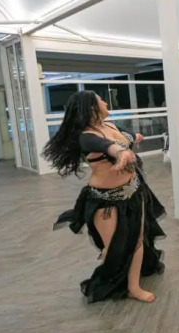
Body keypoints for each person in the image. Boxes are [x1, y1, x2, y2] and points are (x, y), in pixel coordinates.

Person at [44, 91, 166, 304]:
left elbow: (125, 136)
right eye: (101, 100)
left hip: (134, 192)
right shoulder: (86, 136)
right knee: (114, 248)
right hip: (106, 201)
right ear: (92, 108)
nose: (106, 103)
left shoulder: (110, 125)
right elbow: (106, 146)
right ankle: (109, 281)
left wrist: (135, 138)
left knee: (137, 240)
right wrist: (120, 153)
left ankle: (133, 287)